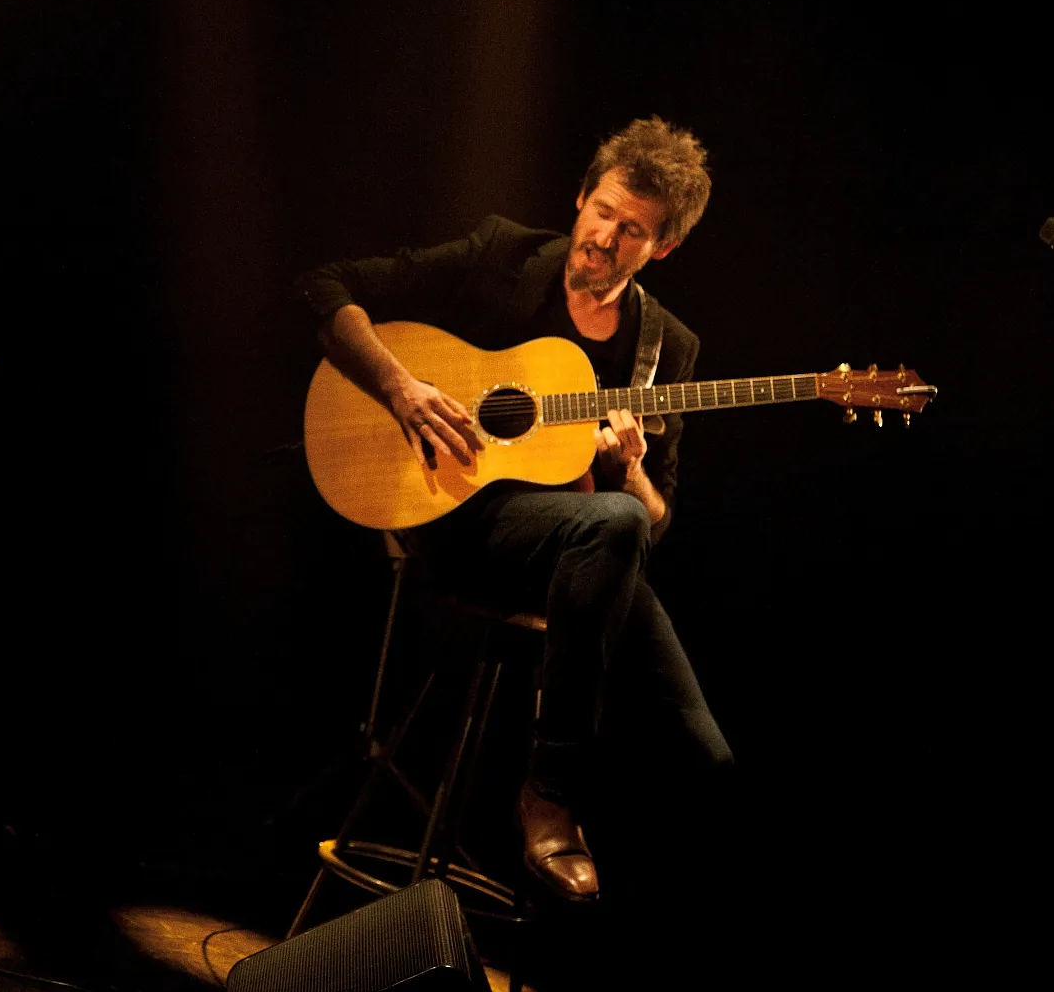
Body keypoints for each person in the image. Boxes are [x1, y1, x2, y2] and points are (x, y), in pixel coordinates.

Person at [297, 117, 731, 903]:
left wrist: (631, 469)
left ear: (662, 248)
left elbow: (654, 517)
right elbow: (328, 286)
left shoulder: (665, 349)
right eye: (601, 210)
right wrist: (403, 388)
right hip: (457, 522)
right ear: (579, 197)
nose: (605, 237)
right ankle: (550, 796)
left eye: (632, 231)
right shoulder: (502, 255)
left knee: (708, 758)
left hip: (581, 558)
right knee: (614, 528)